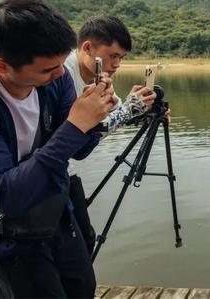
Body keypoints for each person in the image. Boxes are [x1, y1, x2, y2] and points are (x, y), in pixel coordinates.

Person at [0, 0, 115, 298]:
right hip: (8, 229)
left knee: (82, 285)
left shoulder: (57, 80)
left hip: (54, 209)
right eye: (48, 69)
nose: (61, 74)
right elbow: (8, 195)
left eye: (62, 63)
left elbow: (78, 150)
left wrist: (97, 117)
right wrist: (76, 125)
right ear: (2, 66)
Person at [63, 15, 155, 255]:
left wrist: (142, 112)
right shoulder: (62, 75)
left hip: (63, 172)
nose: (117, 64)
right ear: (87, 48)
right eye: (112, 56)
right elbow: (79, 139)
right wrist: (127, 111)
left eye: (121, 58)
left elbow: (112, 120)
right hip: (52, 172)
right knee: (75, 248)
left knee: (84, 240)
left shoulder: (99, 78)